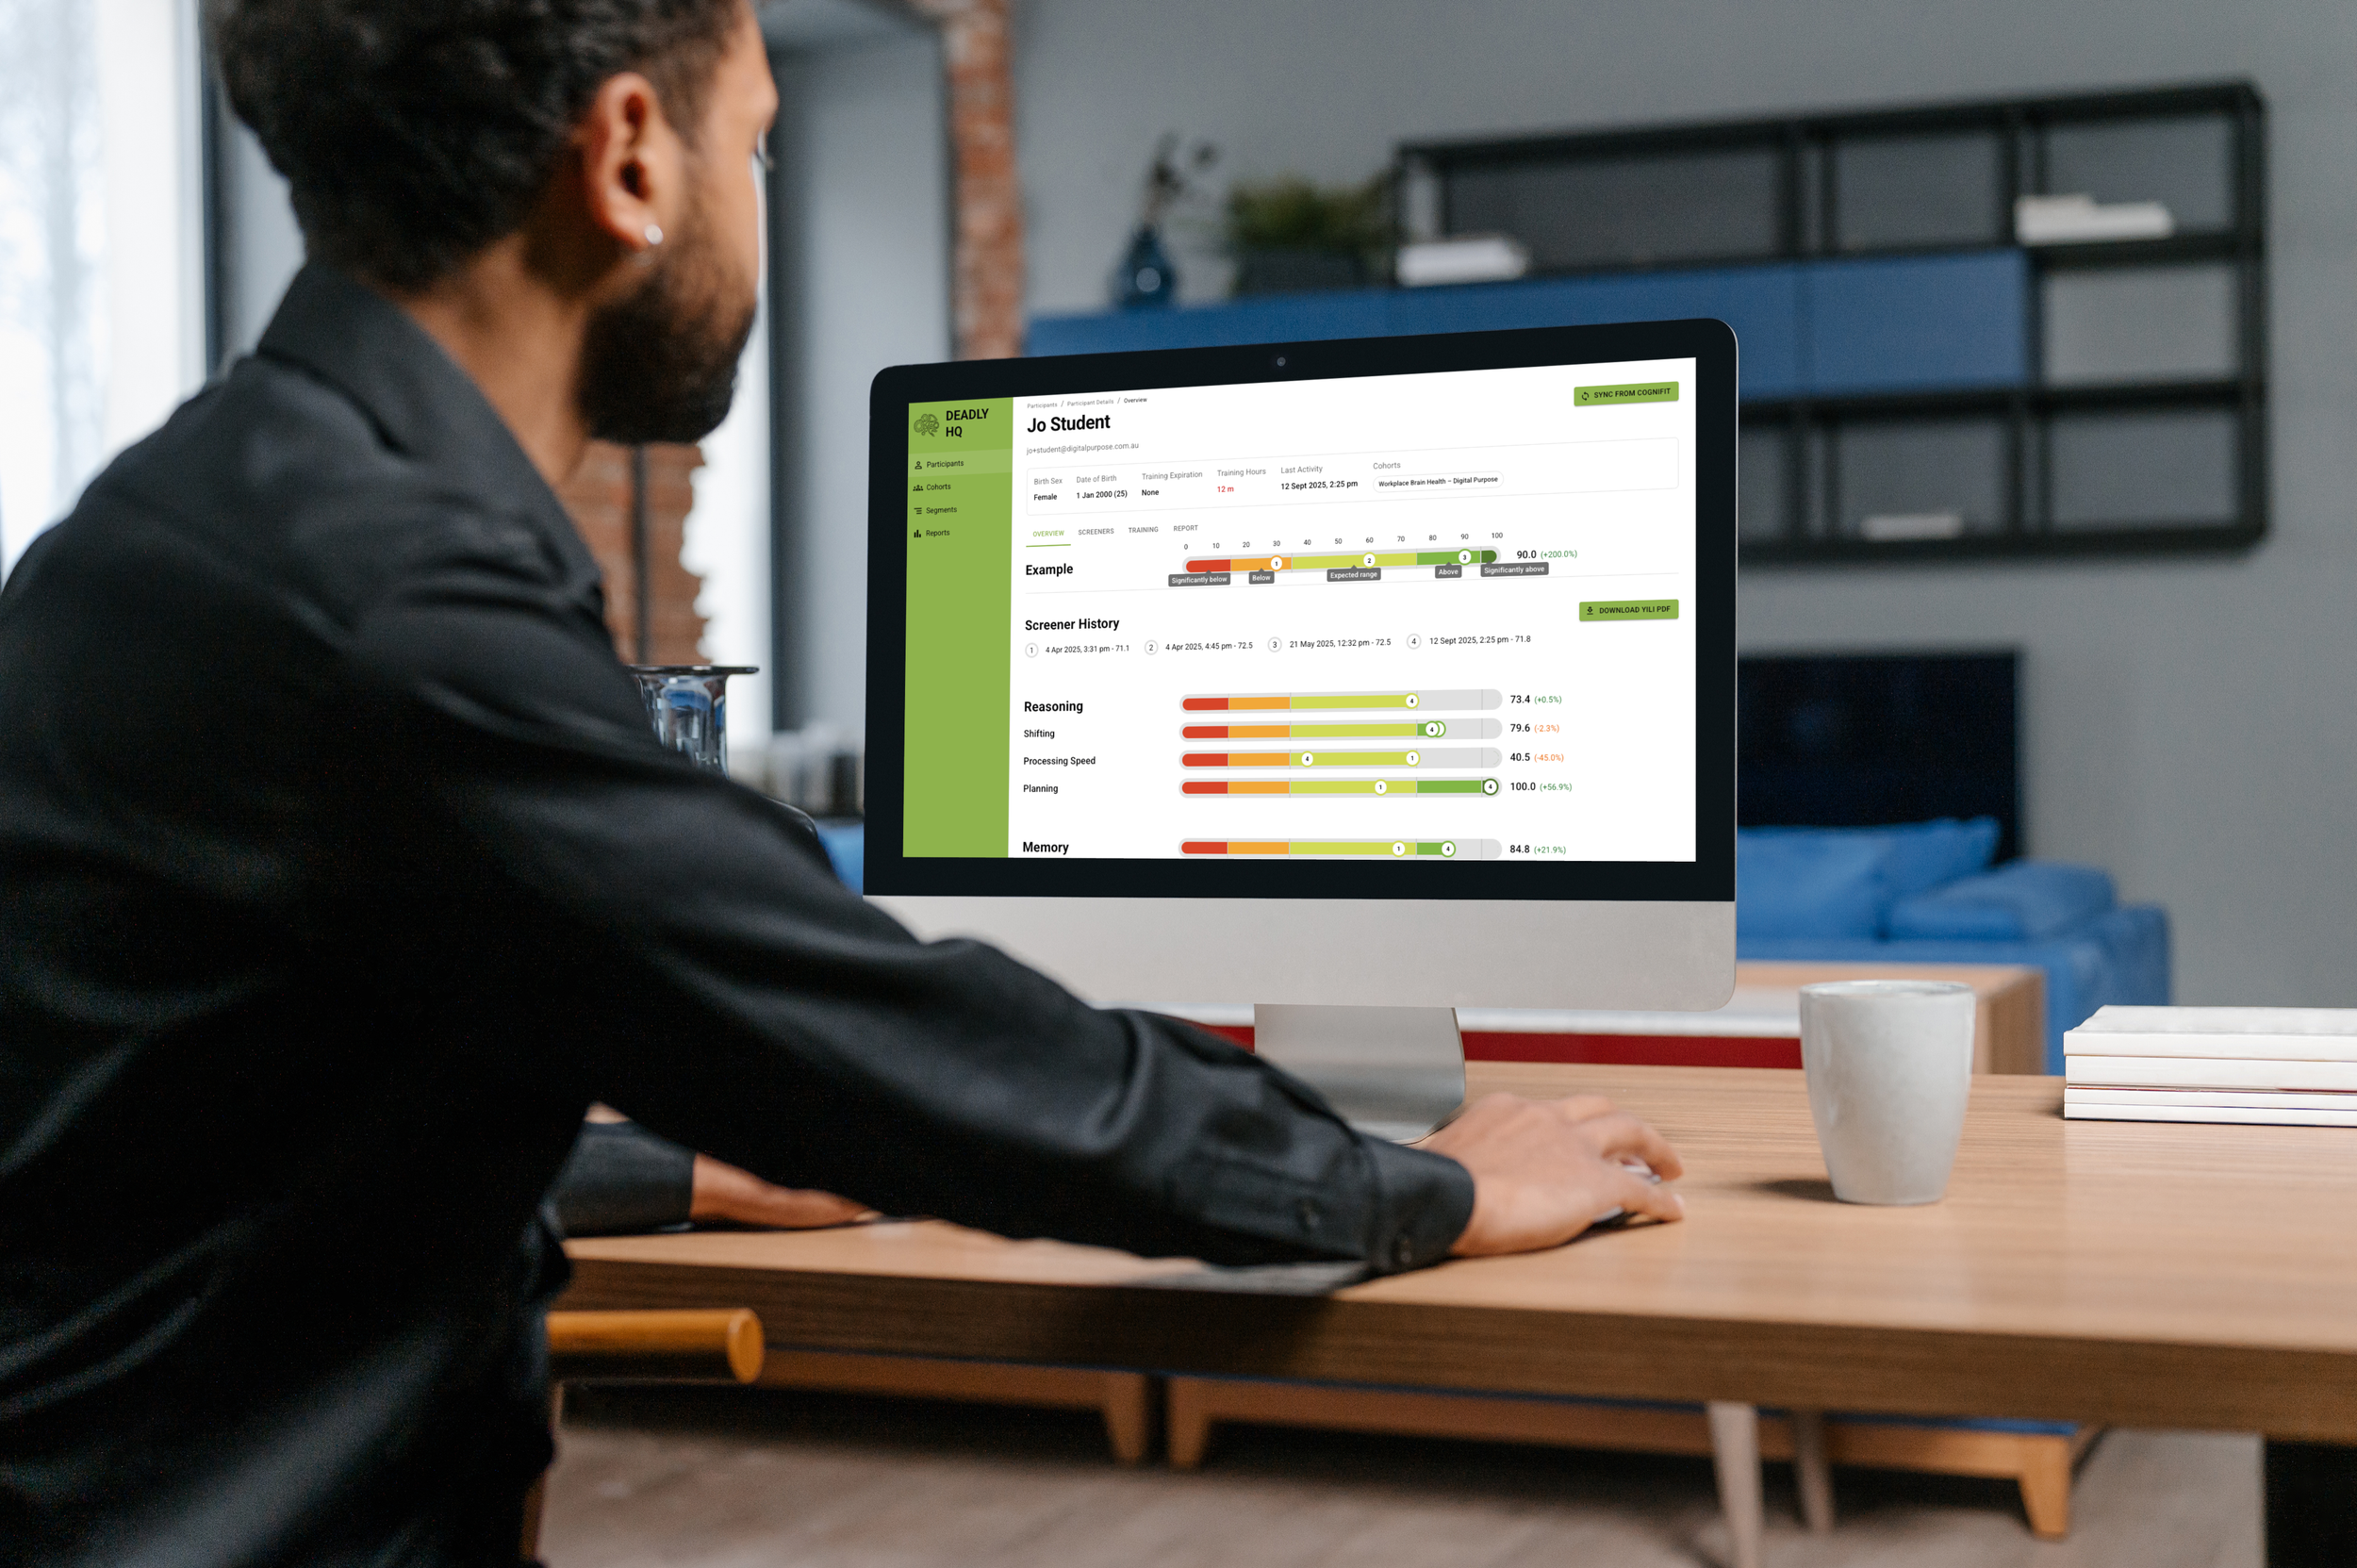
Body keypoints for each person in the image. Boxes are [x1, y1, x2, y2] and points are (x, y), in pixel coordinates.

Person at [0, 2, 1686, 1562]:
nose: (757, 202)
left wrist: (682, 1164)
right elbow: (911, 1049)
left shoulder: (175, 529)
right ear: (634, 155)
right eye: (759, 143)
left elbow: (199, 1137)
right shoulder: (397, 614)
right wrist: (1435, 1182)